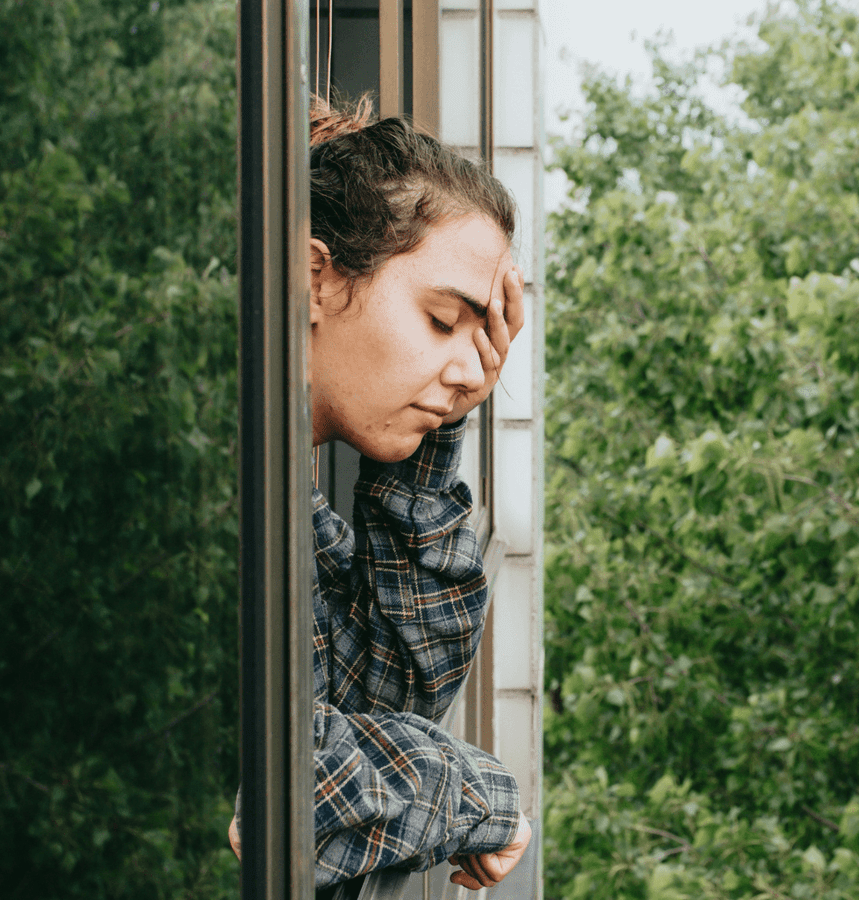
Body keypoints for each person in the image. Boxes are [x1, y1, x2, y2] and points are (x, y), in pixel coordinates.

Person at [228, 96, 532, 896]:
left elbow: (389, 688)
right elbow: (278, 784)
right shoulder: (219, 476)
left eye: (484, 333)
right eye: (442, 320)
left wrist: (434, 433)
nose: (475, 372)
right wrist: (477, 793)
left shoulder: (288, 492)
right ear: (316, 277)